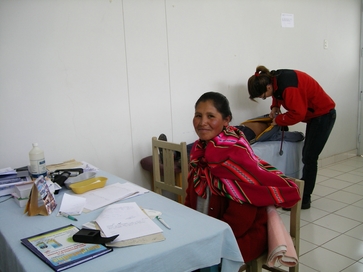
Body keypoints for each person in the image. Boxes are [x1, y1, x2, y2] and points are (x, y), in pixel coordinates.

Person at [184, 92, 301, 263]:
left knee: (197, 260)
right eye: (198, 116)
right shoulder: (199, 151)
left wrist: (210, 238)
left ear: (226, 120)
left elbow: (241, 218)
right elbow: (190, 194)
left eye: (211, 116)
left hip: (242, 234)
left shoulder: (234, 154)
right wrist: (190, 225)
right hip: (212, 229)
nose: (202, 122)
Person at [247, 65, 336, 209]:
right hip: (315, 116)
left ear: (268, 87)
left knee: (309, 157)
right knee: (307, 155)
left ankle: (304, 199)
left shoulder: (289, 87)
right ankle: (300, 192)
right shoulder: (275, 79)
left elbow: (297, 114)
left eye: (263, 96)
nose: (265, 98)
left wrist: (279, 120)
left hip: (324, 115)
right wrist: (275, 108)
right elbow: (277, 95)